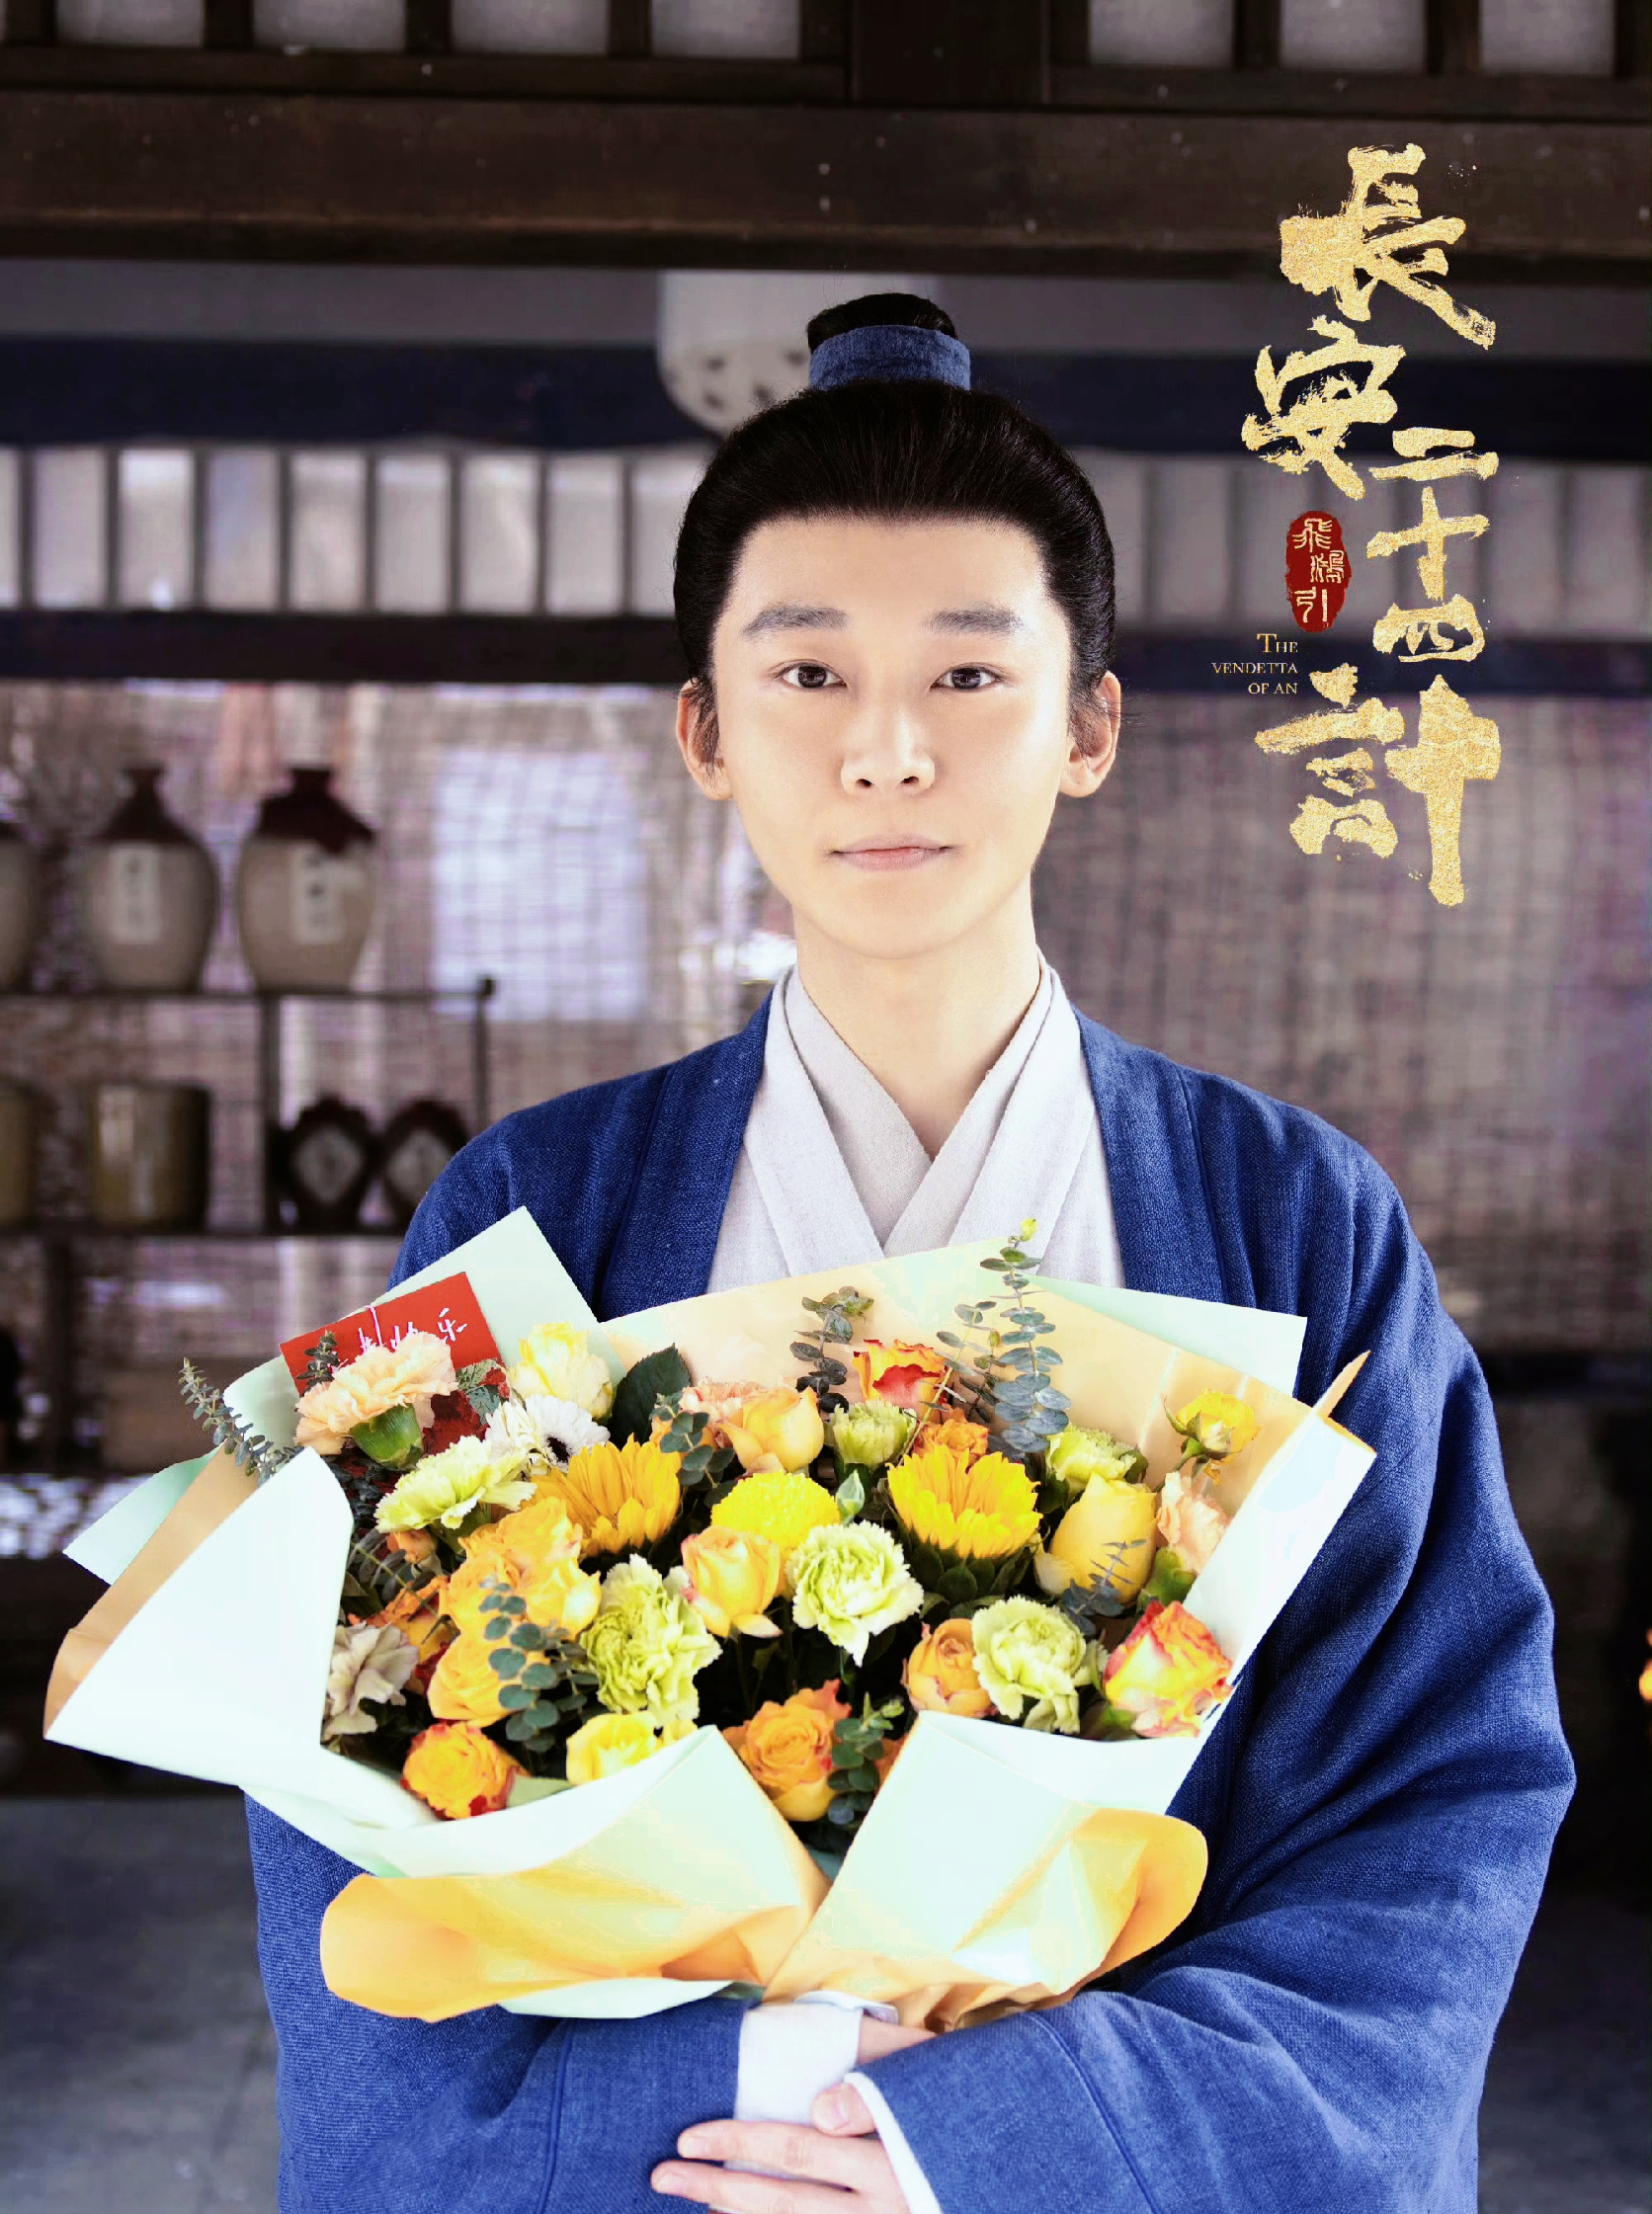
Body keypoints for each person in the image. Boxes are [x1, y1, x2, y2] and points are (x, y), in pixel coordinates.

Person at [246, 295, 1573, 2214]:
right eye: (807, 672)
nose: (885, 750)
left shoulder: (1298, 1215)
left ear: (1087, 724)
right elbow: (348, 1757)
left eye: (968, 671)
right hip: (686, 2167)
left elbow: (1432, 1790)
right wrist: (768, 2081)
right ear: (705, 730)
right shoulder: (532, 1205)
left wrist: (1003, 2131)